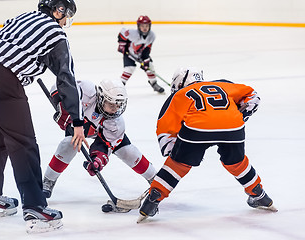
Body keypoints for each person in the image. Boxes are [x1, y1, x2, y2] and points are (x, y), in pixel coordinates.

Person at [0, 0, 88, 233]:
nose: (66, 22)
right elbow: (66, 77)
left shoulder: (23, 17)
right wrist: (77, 120)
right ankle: (35, 207)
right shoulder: (55, 32)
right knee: (23, 143)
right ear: (58, 10)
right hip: (3, 78)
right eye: (66, 15)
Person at [138, 67, 277, 222]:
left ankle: (152, 200)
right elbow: (252, 96)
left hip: (197, 128)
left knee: (178, 164)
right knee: (237, 162)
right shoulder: (223, 84)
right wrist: (241, 114)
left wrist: (173, 150)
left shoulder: (179, 94)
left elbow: (165, 124)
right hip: (233, 125)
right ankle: (259, 194)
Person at [42, 79, 156, 210]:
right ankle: (49, 180)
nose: (115, 109)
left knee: (128, 151)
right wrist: (63, 109)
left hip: (101, 132)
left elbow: (105, 145)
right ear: (101, 98)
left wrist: (97, 161)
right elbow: (58, 86)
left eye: (118, 105)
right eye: (111, 104)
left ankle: (155, 180)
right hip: (80, 126)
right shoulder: (86, 90)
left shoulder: (116, 123)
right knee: (69, 144)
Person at [117, 15, 165, 94]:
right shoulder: (132, 33)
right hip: (129, 53)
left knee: (150, 66)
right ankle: (119, 86)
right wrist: (122, 45)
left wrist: (145, 61)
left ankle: (154, 83)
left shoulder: (152, 36)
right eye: (142, 26)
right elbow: (122, 33)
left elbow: (147, 49)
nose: (145, 28)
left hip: (141, 54)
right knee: (129, 68)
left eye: (147, 26)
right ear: (138, 26)